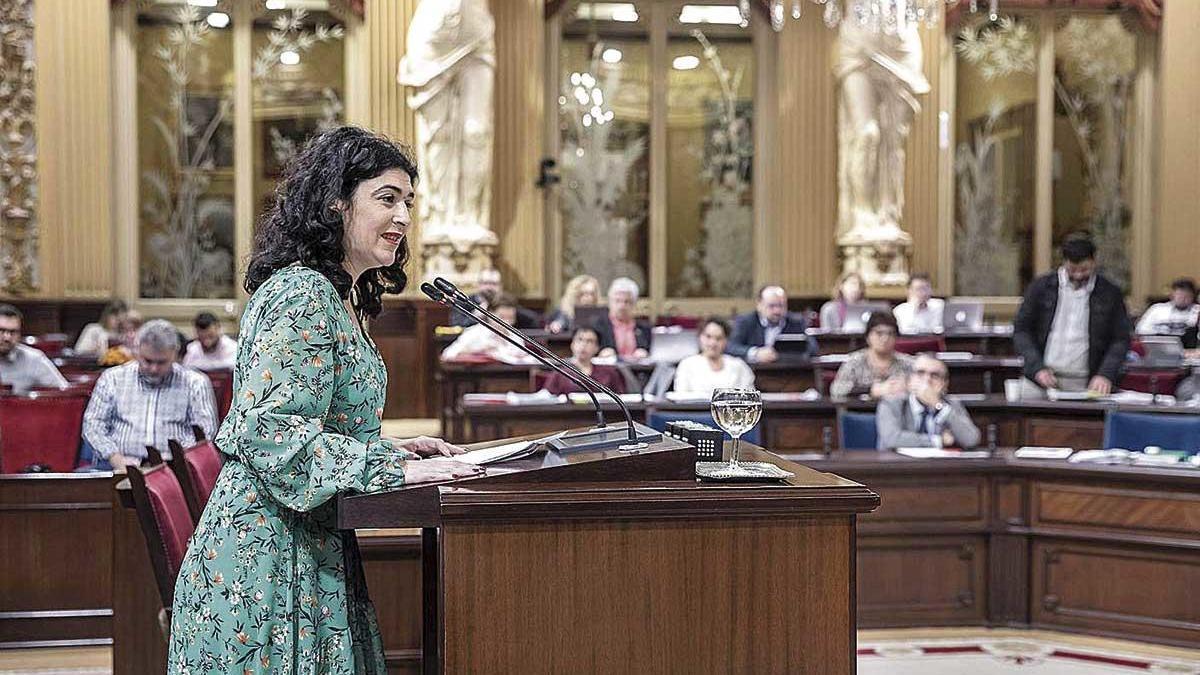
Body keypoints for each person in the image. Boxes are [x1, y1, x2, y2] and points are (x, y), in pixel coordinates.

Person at [167, 126, 483, 674]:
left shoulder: (341, 295)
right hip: (267, 566)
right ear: (336, 203)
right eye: (386, 199)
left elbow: (316, 423)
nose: (404, 217)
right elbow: (272, 435)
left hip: (307, 543)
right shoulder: (303, 292)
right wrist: (394, 473)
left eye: (408, 201)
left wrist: (396, 453)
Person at [81, 320, 217, 469]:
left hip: (176, 468)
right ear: (137, 350)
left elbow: (205, 432)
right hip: (117, 465)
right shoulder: (112, 378)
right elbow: (93, 425)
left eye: (161, 362)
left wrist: (178, 459)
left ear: (175, 354)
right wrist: (115, 457)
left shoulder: (195, 383)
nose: (153, 368)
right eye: (148, 361)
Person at [1013, 235, 1131, 397]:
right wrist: (1037, 368)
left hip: (1088, 381)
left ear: (1094, 262)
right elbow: (1022, 330)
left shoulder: (1110, 293)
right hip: (1041, 378)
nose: (1078, 275)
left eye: (1084, 270)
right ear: (1064, 263)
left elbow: (1121, 339)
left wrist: (1105, 374)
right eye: (1072, 270)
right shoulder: (1040, 288)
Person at [876, 354, 980, 450]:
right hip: (898, 467)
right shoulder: (891, 403)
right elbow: (892, 439)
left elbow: (971, 440)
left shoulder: (950, 405)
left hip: (940, 468)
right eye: (920, 373)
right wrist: (938, 440)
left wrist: (938, 406)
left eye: (935, 375)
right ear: (909, 380)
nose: (927, 380)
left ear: (944, 384)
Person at [829, 311, 913, 399]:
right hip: (861, 411)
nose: (885, 338)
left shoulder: (908, 363)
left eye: (890, 334)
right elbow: (836, 390)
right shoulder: (855, 361)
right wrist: (870, 390)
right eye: (879, 333)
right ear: (868, 337)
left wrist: (907, 387)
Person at [728, 285, 817, 363]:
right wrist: (756, 353)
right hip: (754, 373)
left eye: (781, 305)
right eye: (772, 306)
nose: (777, 311)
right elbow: (731, 347)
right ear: (759, 305)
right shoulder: (745, 322)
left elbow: (813, 348)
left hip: (788, 373)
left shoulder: (797, 321)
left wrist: (781, 355)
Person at [673, 318, 755, 396]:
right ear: (699, 337)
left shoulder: (739, 366)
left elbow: (750, 400)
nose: (713, 343)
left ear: (726, 341)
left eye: (718, 338)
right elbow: (680, 398)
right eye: (708, 337)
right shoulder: (687, 365)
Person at [440, 293, 531, 363]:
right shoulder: (474, 333)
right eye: (502, 317)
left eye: (510, 318)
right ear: (490, 314)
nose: (506, 323)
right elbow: (448, 354)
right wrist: (476, 351)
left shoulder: (515, 336)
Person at [0, 304, 68, 395]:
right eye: (1, 331)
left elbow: (64, 393)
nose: (7, 338)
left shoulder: (33, 359)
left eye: (13, 332)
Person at [542, 325, 624, 395]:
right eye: (580, 340)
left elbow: (620, 399)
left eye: (589, 341)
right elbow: (547, 397)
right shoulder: (561, 373)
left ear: (597, 348)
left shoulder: (609, 373)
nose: (583, 345)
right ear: (572, 344)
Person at [449, 268, 540, 329]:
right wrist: (478, 315)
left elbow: (532, 319)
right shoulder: (464, 301)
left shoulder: (505, 301)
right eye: (486, 283)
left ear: (500, 286)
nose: (489, 287)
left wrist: (509, 313)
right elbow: (456, 325)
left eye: (494, 284)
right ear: (478, 285)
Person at [594, 277, 652, 360]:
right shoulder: (598, 326)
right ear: (610, 302)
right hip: (609, 370)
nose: (622, 306)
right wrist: (601, 353)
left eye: (627, 302)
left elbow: (654, 353)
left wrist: (646, 354)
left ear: (634, 304)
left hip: (638, 370)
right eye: (617, 301)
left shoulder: (645, 328)